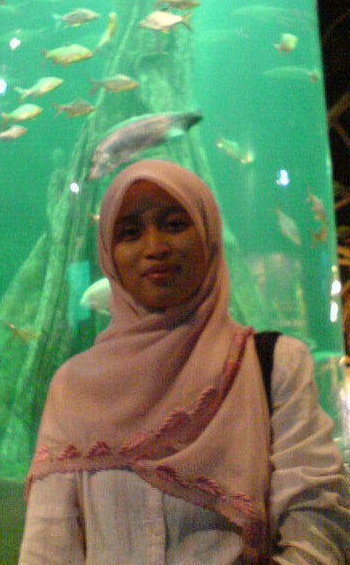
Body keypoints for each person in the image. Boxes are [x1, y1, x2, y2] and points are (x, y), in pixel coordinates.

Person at [18, 159, 350, 564]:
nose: (155, 248)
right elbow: (48, 545)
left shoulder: (273, 365)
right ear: (109, 253)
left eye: (175, 225)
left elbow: (316, 522)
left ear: (208, 236)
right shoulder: (73, 386)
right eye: (130, 232)